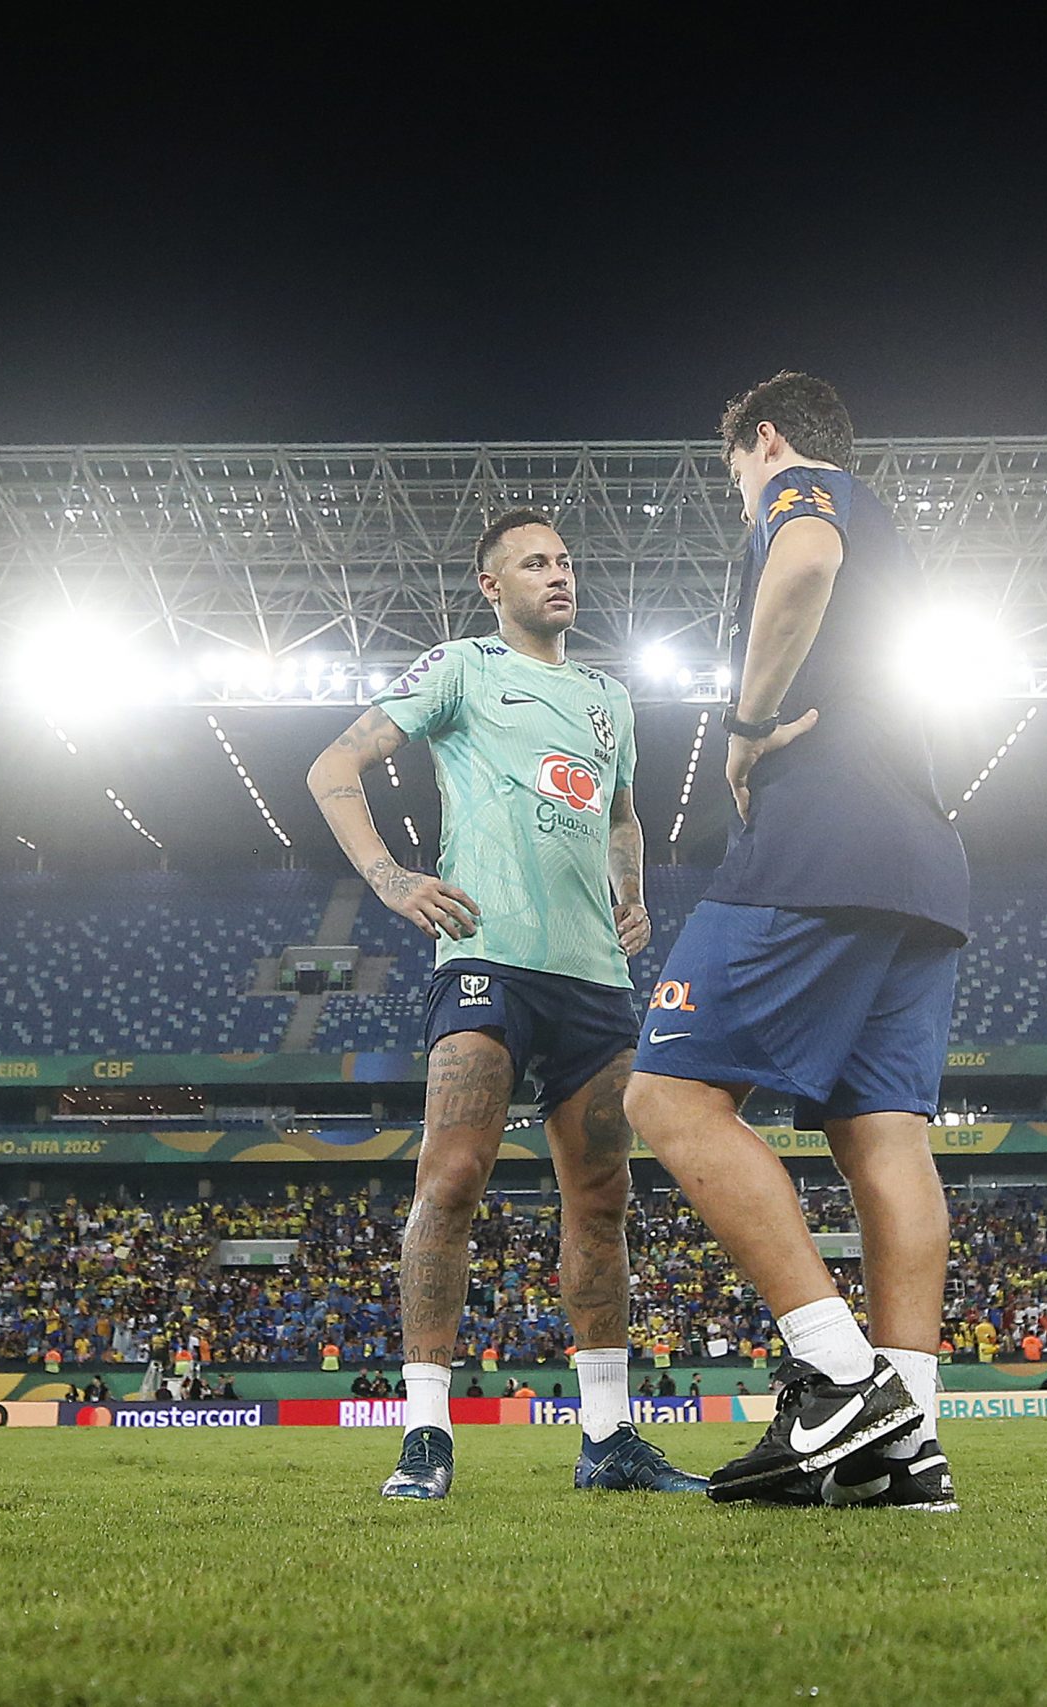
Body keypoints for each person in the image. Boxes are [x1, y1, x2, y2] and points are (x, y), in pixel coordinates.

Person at [625, 373, 969, 1514]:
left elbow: (805, 562)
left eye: (735, 472)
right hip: (921, 862)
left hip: (822, 841)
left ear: (762, 440)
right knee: (884, 1136)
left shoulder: (806, 486)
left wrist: (745, 724)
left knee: (667, 1098)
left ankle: (834, 1372)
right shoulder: (895, 529)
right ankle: (907, 1447)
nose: (740, 495)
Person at [310, 508, 704, 1501]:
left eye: (565, 559)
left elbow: (621, 813)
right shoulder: (461, 668)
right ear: (493, 586)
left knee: (604, 1199)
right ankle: (426, 1435)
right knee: (450, 1177)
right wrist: (392, 878)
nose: (558, 574)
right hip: (486, 956)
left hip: (592, 980)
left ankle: (609, 1438)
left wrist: (634, 895)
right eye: (534, 563)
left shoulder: (610, 698)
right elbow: (332, 768)